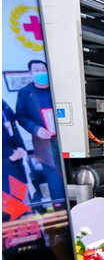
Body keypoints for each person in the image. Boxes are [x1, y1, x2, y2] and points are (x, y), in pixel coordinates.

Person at [15, 60, 65, 201]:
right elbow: (21, 116)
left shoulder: (58, 89)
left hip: (64, 140)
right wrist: (35, 129)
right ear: (30, 73)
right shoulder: (25, 93)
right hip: (44, 143)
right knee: (54, 179)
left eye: (43, 70)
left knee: (70, 172)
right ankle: (60, 206)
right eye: (37, 70)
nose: (41, 73)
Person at [3, 99, 28, 197]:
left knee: (19, 195)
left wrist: (20, 146)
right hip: (5, 158)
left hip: (15, 157)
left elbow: (13, 126)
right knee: (9, 197)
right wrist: (8, 152)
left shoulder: (3, 103)